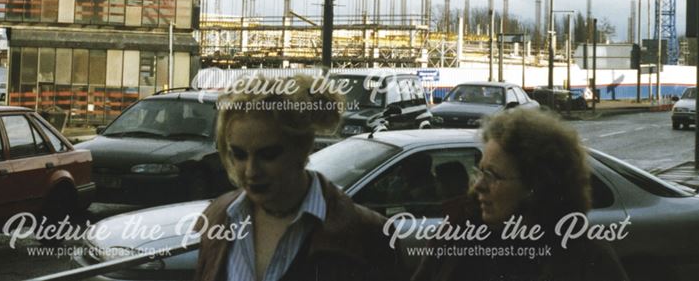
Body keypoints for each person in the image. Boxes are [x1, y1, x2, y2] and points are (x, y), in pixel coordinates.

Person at [193, 73, 405, 281]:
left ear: (303, 148)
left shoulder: (368, 234)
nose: (250, 171)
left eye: (268, 155)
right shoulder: (218, 217)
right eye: (239, 155)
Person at [413, 107, 628, 281]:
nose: (478, 185)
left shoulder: (586, 257)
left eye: (493, 175)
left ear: (536, 186)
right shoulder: (456, 234)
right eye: (480, 171)